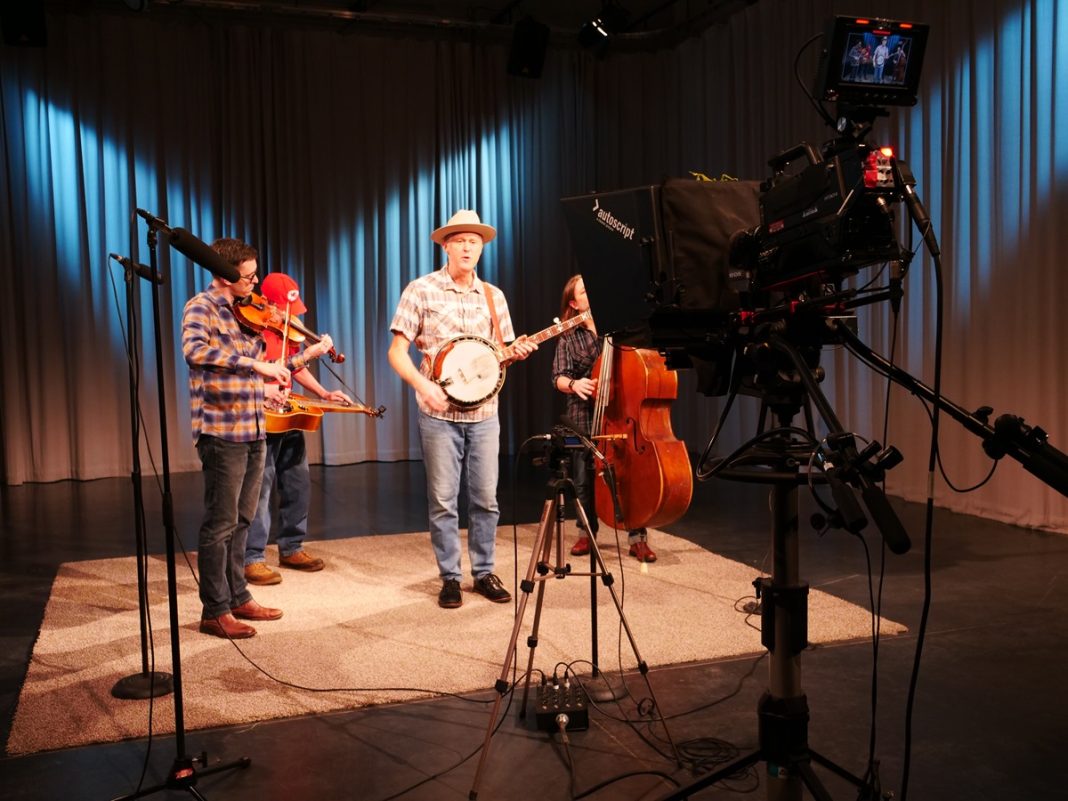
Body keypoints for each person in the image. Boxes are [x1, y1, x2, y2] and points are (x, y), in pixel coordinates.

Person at [388, 209, 536, 609]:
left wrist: (517, 351)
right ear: (446, 246)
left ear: (482, 248)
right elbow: (396, 352)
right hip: (438, 415)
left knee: (487, 499)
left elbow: (500, 353)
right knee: (443, 500)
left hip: (485, 413)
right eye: (461, 240)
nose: (469, 247)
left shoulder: (494, 296)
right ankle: (450, 577)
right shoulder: (421, 289)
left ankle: (484, 571)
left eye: (475, 241)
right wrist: (423, 387)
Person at [181, 238, 323, 638]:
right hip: (221, 430)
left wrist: (290, 366)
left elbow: (254, 373)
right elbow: (196, 352)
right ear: (226, 275)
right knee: (220, 523)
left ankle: (239, 595)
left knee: (244, 520)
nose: (255, 283)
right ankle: (214, 609)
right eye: (249, 276)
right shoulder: (201, 307)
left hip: (254, 427)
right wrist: (254, 364)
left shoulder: (250, 315)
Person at [243, 273, 350, 585]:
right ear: (270, 305)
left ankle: (291, 547)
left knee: (297, 481)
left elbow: (296, 366)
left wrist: (324, 393)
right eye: (282, 311)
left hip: (287, 411)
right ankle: (252, 557)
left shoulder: (285, 330)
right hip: (261, 414)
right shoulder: (252, 327)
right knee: (260, 488)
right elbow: (250, 372)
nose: (288, 319)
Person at [551, 275, 657, 563]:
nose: (593, 293)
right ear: (574, 303)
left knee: (627, 475)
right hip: (583, 413)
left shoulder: (622, 331)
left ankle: (638, 537)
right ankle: (586, 533)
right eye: (585, 291)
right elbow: (558, 377)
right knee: (583, 477)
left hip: (620, 413)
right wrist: (574, 384)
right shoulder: (568, 337)